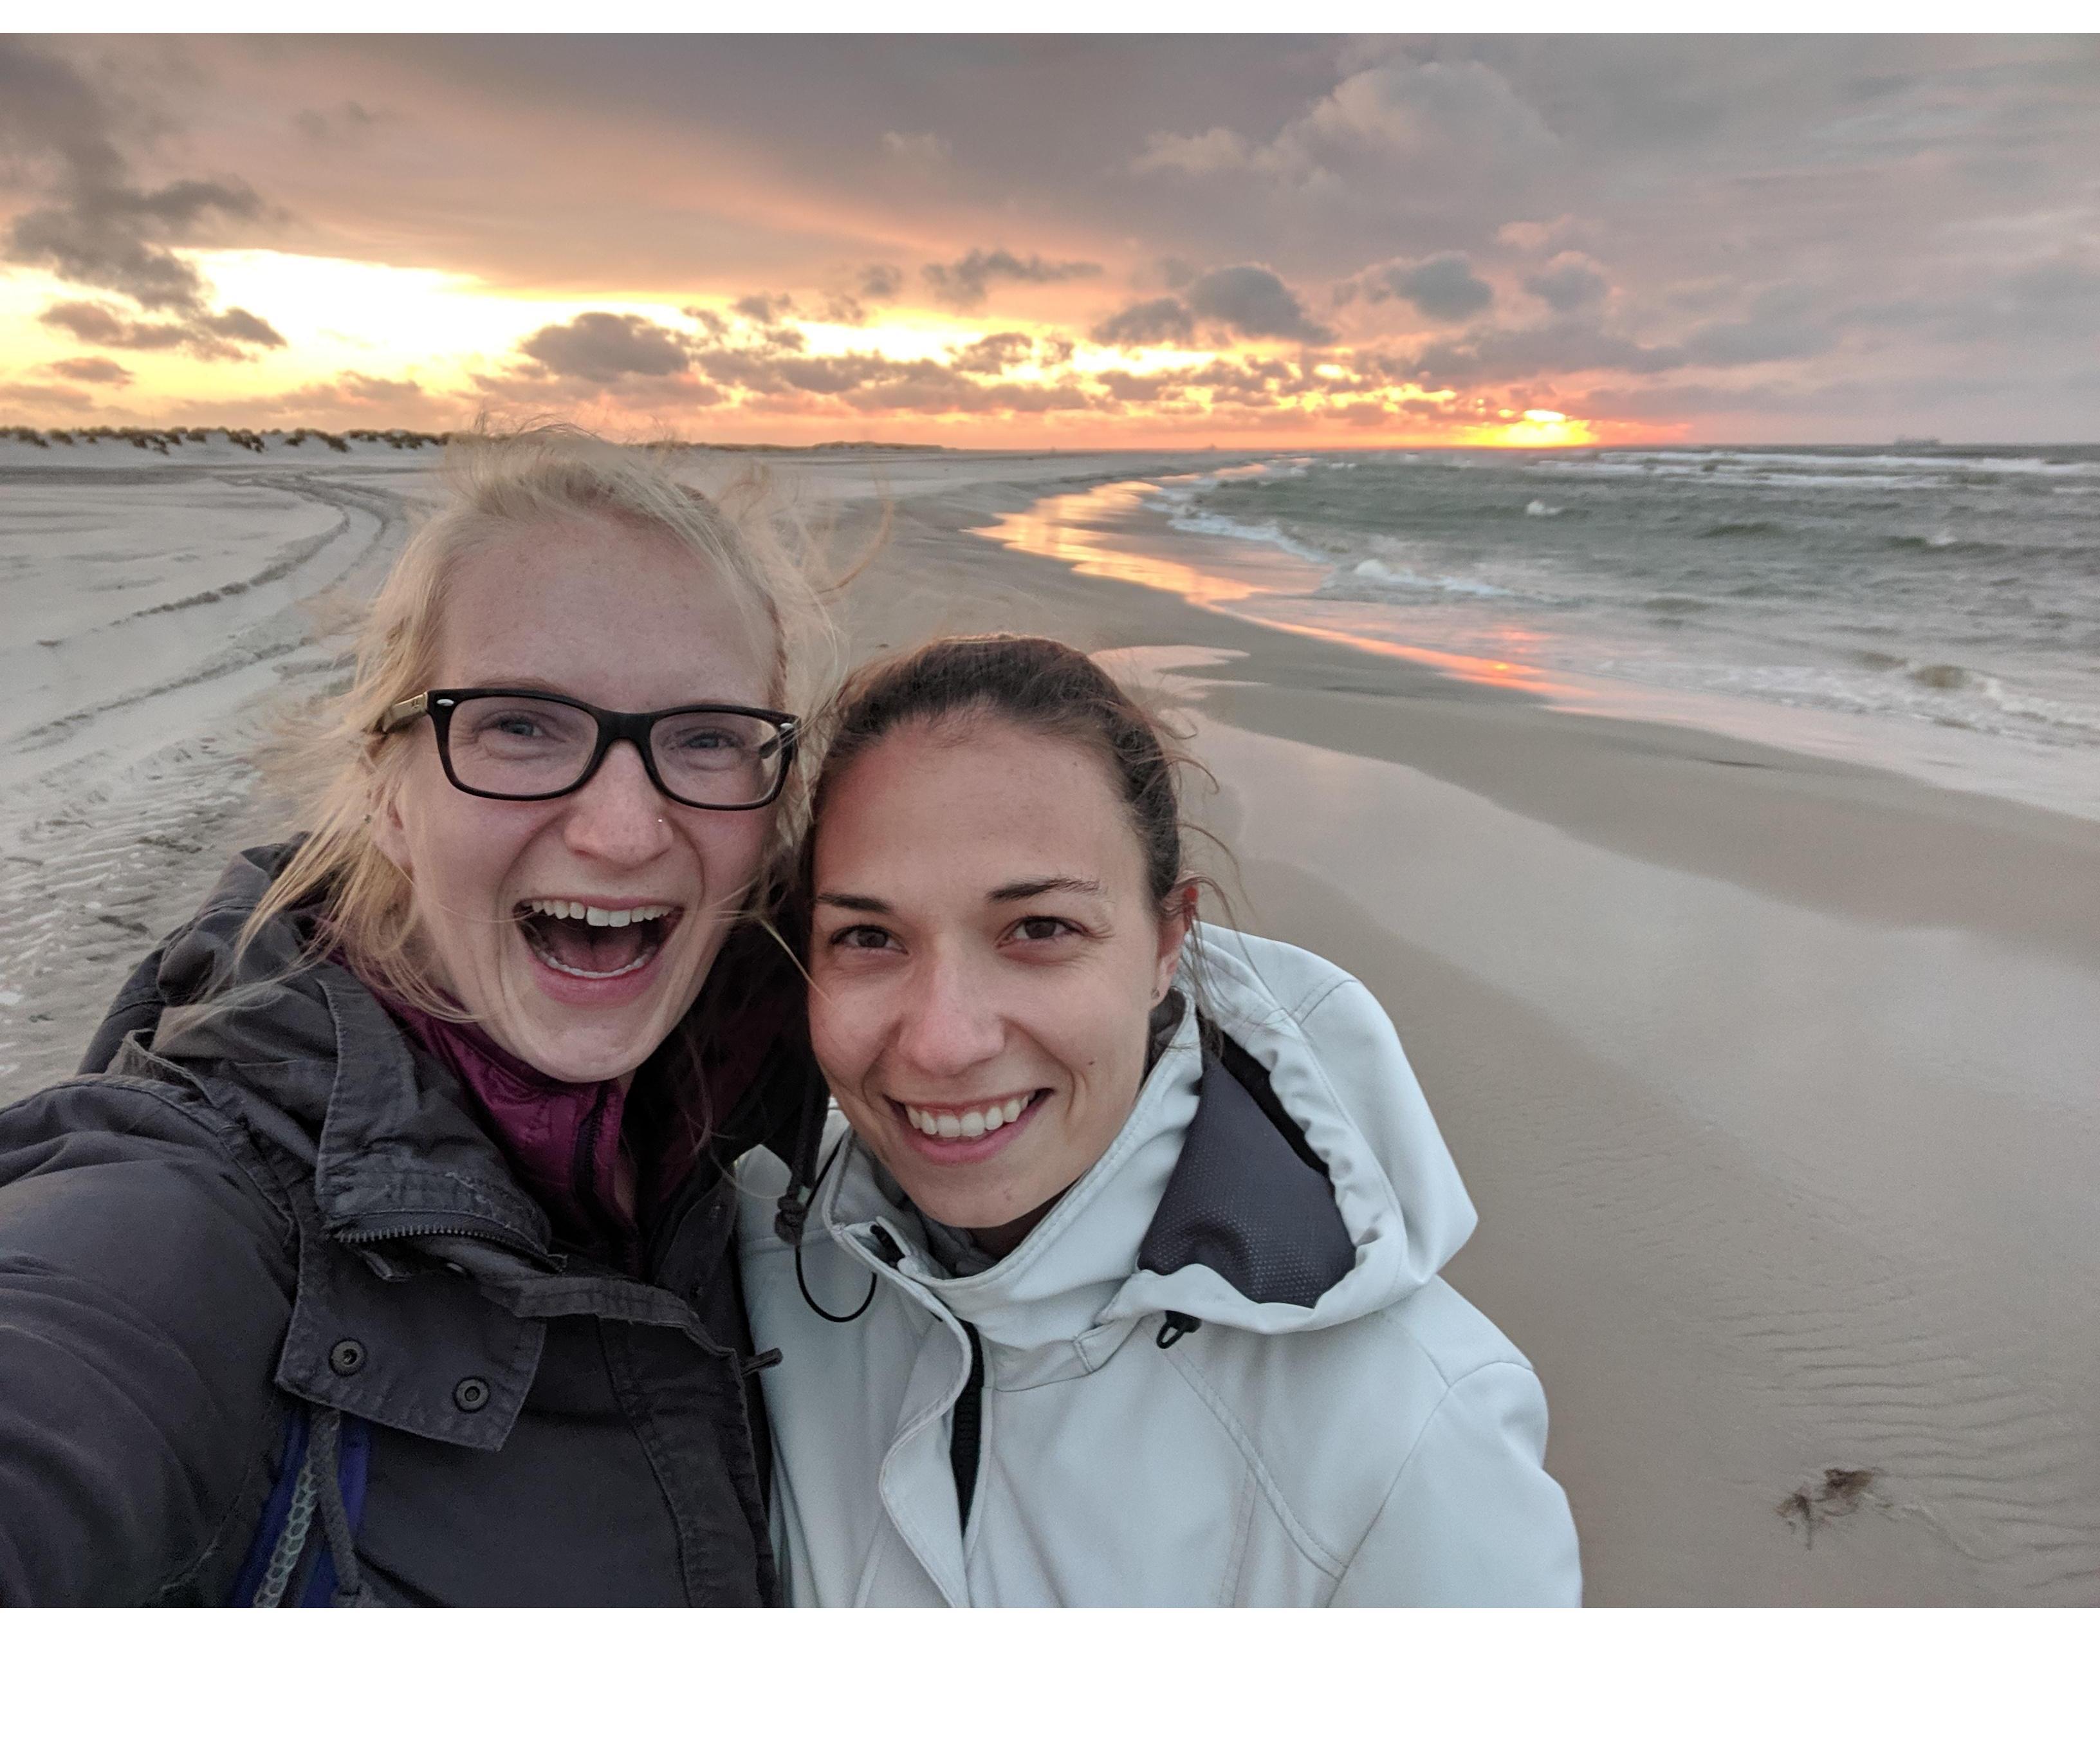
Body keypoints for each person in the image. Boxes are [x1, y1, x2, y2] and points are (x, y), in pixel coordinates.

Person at [0, 429, 834, 1606]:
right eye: (520, 726)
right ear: (391, 793)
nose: (621, 830)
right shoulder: (188, 1211)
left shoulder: (820, 1110)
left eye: (703, 739)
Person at [739, 635, 1581, 1606]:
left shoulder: (1411, 1436)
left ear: (1167, 944)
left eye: (1040, 929)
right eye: (869, 937)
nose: (941, 1041)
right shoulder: (764, 1271)